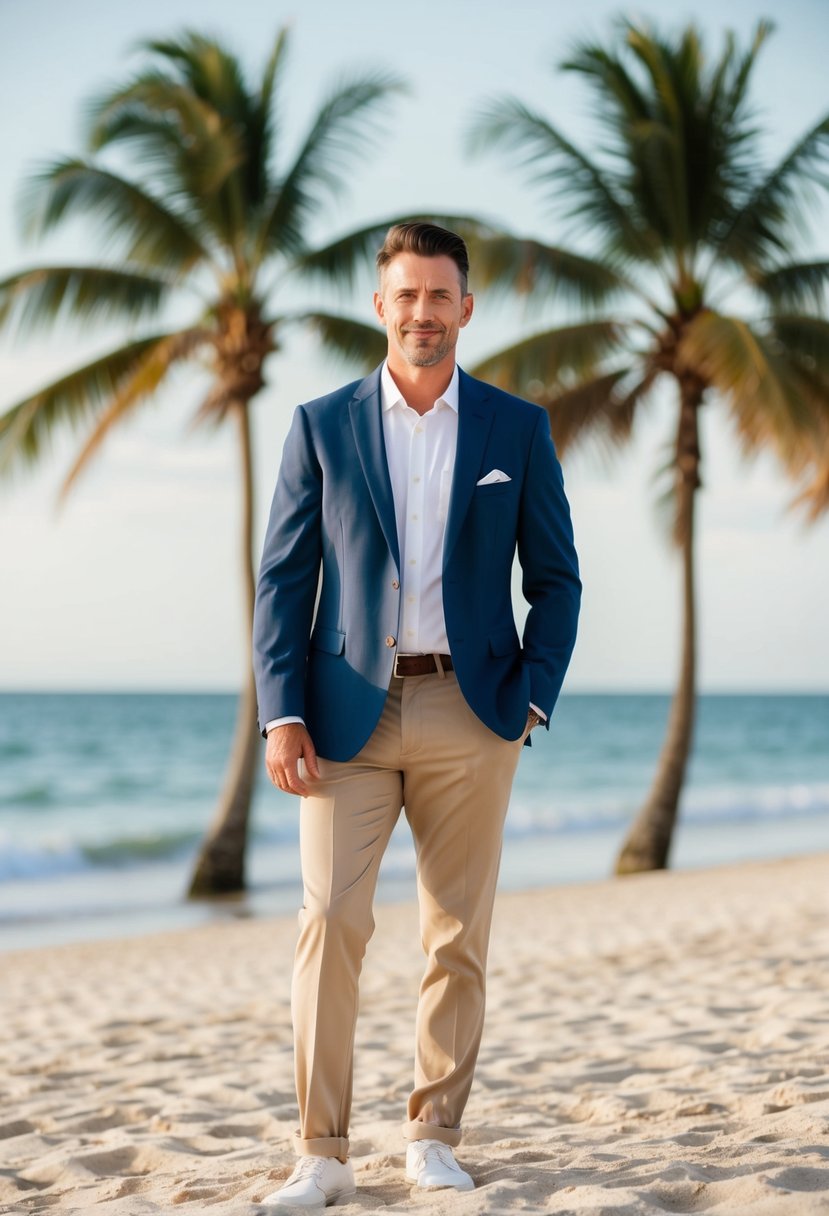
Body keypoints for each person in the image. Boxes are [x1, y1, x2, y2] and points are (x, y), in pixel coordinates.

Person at [252, 221, 581, 1208]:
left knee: (456, 936)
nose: (423, 314)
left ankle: (433, 1133)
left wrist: (530, 692)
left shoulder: (514, 428)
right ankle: (322, 1149)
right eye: (406, 295)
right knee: (331, 920)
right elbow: (282, 579)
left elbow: (556, 578)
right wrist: (281, 712)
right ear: (379, 305)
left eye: (440, 296)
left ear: (466, 308)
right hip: (344, 713)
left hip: (471, 710)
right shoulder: (320, 424)